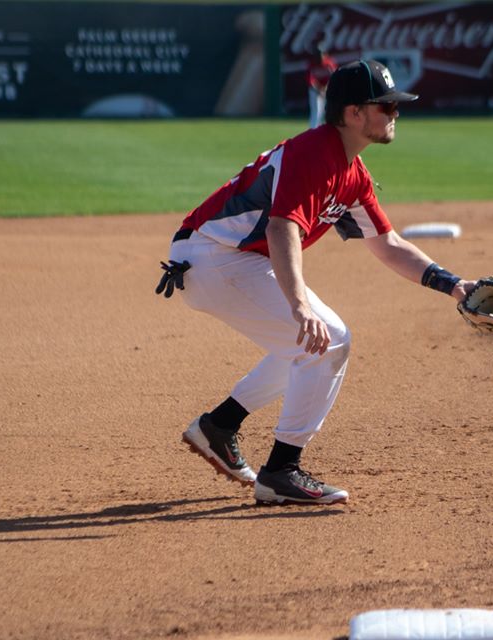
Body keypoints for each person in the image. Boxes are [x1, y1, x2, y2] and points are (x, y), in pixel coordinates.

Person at [156, 59, 475, 505]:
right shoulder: (314, 153)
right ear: (353, 114)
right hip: (214, 257)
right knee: (329, 339)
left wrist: (456, 286)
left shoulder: (353, 173)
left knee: (308, 344)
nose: (395, 113)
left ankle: (220, 426)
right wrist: (300, 306)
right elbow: (281, 227)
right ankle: (281, 471)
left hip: (229, 260)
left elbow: (388, 244)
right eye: (385, 105)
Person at [306, 47, 337, 128]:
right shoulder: (312, 63)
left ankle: (321, 131)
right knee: (316, 112)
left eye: (320, 55)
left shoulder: (329, 63)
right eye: (317, 55)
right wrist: (319, 89)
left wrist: (326, 88)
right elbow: (310, 80)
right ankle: (312, 131)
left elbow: (334, 78)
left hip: (327, 89)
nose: (319, 57)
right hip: (314, 90)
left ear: (325, 55)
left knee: (325, 112)